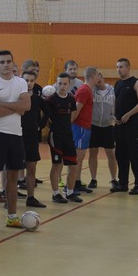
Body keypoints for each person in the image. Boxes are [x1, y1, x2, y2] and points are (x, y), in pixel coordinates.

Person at [0, 50, 29, 231]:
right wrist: (17, 107)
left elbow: (26, 106)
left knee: (13, 178)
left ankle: (12, 216)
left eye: (9, 61)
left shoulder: (21, 82)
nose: (6, 65)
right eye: (2, 62)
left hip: (16, 135)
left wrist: (3, 103)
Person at [45, 73, 81, 203]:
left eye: (65, 84)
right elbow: (46, 117)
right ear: (56, 83)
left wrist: (66, 126)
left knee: (73, 165)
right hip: (56, 136)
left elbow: (73, 114)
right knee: (57, 165)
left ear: (69, 84)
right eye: (59, 83)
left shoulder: (71, 99)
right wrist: (54, 127)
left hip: (68, 136)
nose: (62, 86)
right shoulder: (51, 100)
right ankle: (56, 194)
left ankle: (70, 193)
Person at [112, 58, 138, 195]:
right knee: (120, 155)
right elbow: (115, 102)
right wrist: (114, 116)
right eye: (117, 67)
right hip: (119, 126)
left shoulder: (136, 82)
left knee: (135, 155)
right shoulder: (117, 84)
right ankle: (123, 183)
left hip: (132, 126)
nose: (118, 69)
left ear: (128, 67)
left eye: (121, 67)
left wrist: (129, 114)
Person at [19, 69, 47, 208]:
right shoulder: (17, 98)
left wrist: (40, 125)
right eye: (26, 80)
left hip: (32, 138)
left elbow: (48, 112)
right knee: (14, 170)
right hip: (18, 137)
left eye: (32, 81)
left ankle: (31, 198)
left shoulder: (37, 99)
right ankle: (8, 197)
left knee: (31, 168)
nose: (29, 83)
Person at [88, 71, 118, 189]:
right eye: (95, 77)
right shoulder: (91, 91)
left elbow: (116, 105)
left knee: (111, 154)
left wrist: (114, 117)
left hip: (108, 126)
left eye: (99, 76)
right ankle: (93, 179)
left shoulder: (112, 90)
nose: (98, 79)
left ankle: (113, 179)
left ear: (102, 77)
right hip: (94, 125)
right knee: (93, 153)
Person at [70, 67, 97, 194]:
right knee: (77, 158)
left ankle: (77, 182)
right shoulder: (84, 90)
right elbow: (76, 109)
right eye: (97, 75)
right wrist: (69, 125)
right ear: (92, 76)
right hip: (80, 127)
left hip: (85, 127)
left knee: (80, 157)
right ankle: (72, 185)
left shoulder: (88, 90)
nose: (98, 78)